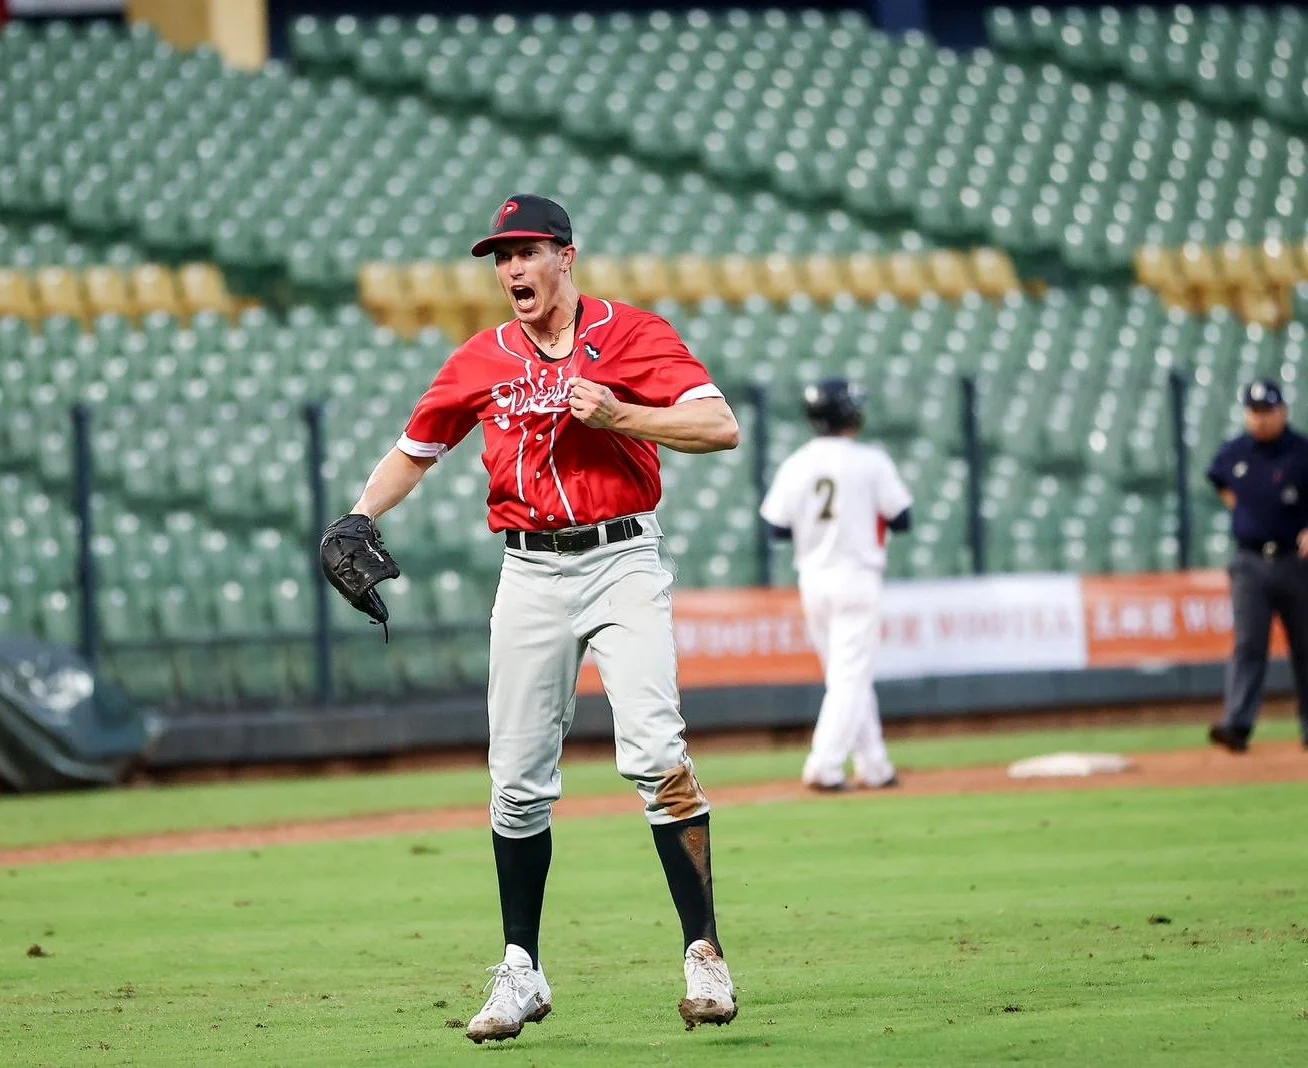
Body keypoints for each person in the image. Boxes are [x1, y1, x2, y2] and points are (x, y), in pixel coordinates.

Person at [330, 194, 742, 1042]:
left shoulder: (632, 334)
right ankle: (521, 970)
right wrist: (358, 516)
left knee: (658, 750)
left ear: (566, 256)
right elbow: (417, 449)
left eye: (526, 251)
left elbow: (719, 425)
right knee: (516, 782)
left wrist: (622, 413)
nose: (511, 268)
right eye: (500, 256)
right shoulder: (480, 358)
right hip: (530, 571)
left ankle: (704, 951)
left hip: (623, 556)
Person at [758, 379, 912, 792]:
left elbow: (775, 526)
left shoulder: (798, 462)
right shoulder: (870, 461)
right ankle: (824, 766)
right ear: (850, 415)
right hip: (857, 577)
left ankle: (875, 764)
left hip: (814, 578)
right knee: (849, 676)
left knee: (846, 675)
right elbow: (902, 517)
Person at [1204, 377, 1308, 754]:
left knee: (1306, 647)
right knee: (1248, 645)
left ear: (1283, 411)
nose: (1261, 419)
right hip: (1249, 562)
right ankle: (1237, 725)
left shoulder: (1302, 452)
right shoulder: (1234, 452)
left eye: (1268, 411)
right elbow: (1218, 480)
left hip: (1296, 562)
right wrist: (1246, 514)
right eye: (1254, 412)